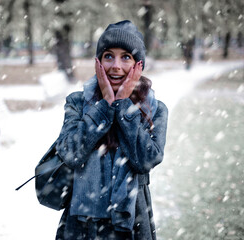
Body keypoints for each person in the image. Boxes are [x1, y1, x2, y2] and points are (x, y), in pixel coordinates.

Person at [54, 20, 168, 240]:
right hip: (81, 225)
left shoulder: (155, 110)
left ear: (139, 65)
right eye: (108, 56)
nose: (116, 66)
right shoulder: (78, 103)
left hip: (132, 220)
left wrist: (124, 106)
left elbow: (146, 160)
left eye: (126, 57)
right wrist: (105, 107)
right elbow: (69, 153)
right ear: (98, 62)